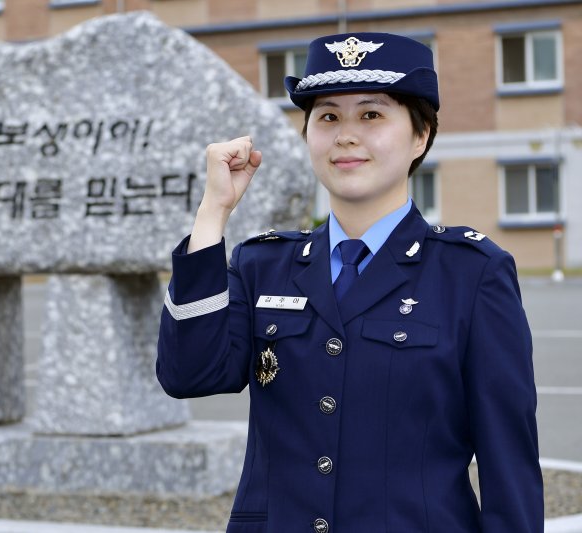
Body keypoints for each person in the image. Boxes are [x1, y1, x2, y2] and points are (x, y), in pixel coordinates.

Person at [156, 32, 543, 532]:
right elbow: (188, 375)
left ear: (420, 137)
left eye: (372, 115)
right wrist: (213, 213)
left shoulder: (472, 273)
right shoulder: (262, 265)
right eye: (328, 117)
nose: (345, 135)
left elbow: (508, 461)